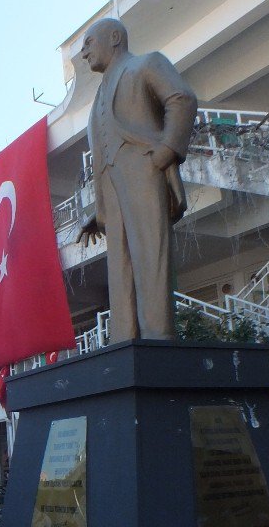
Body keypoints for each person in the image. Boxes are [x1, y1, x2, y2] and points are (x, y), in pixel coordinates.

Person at [77, 18, 198, 343]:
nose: (84, 51)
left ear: (114, 37)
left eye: (89, 42)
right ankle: (124, 340)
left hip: (145, 172)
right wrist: (98, 209)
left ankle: (158, 339)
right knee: (120, 268)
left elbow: (181, 98)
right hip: (112, 189)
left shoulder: (147, 64)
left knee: (150, 257)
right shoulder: (98, 98)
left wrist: (165, 152)